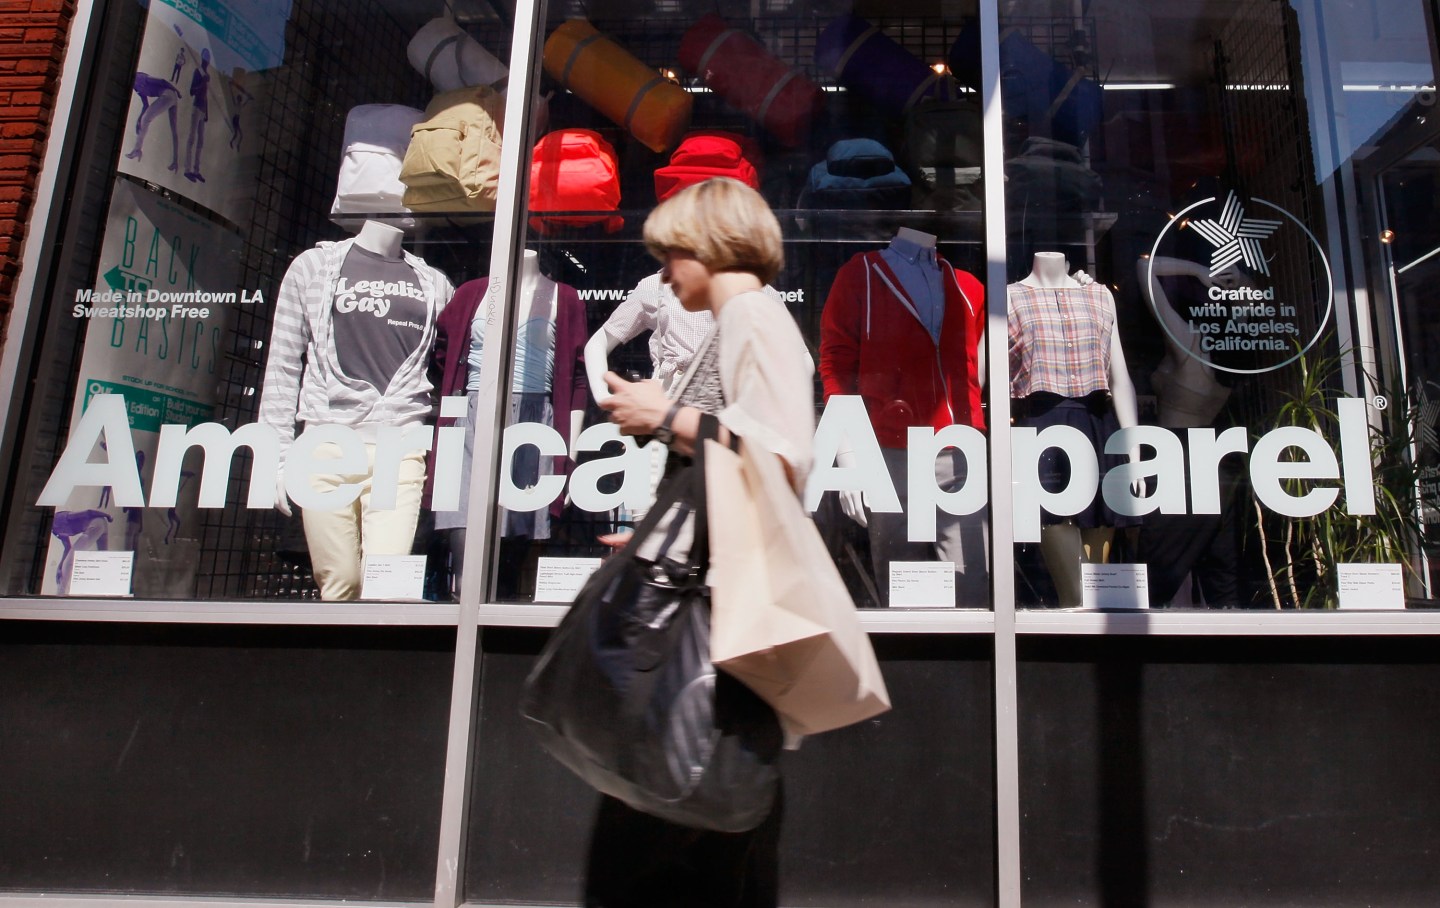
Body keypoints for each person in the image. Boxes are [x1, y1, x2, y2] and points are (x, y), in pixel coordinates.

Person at [592, 177, 813, 907]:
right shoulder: (740, 319)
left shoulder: (750, 314)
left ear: (712, 247)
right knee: (704, 818)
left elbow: (781, 456)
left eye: (671, 256)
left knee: (696, 822)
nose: (663, 276)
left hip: (726, 614)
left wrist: (664, 416)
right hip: (719, 604)